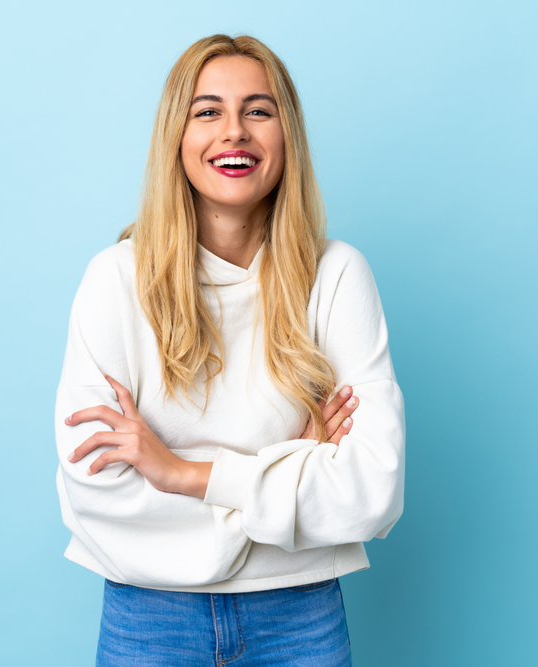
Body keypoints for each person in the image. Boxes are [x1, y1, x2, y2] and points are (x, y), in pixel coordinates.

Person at [54, 34, 405, 666]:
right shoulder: (115, 280)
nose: (234, 132)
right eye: (208, 110)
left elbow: (372, 491)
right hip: (149, 618)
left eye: (259, 110)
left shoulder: (338, 276)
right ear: (176, 138)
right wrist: (295, 465)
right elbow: (93, 487)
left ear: (285, 135)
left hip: (299, 614)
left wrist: (181, 473)